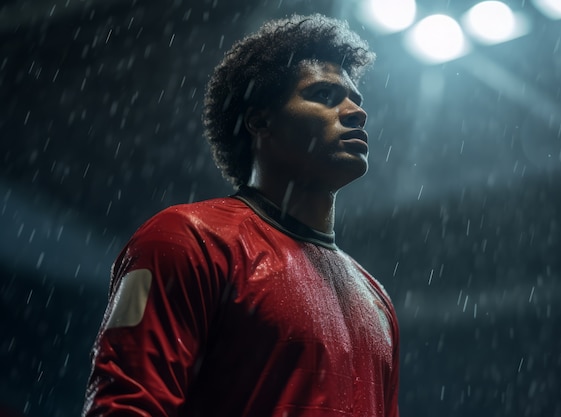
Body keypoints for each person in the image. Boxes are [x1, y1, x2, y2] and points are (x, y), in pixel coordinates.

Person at [82, 13, 400, 417]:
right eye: (324, 95)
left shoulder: (377, 301)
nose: (356, 112)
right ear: (260, 121)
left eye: (356, 98)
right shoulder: (183, 240)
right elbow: (127, 406)